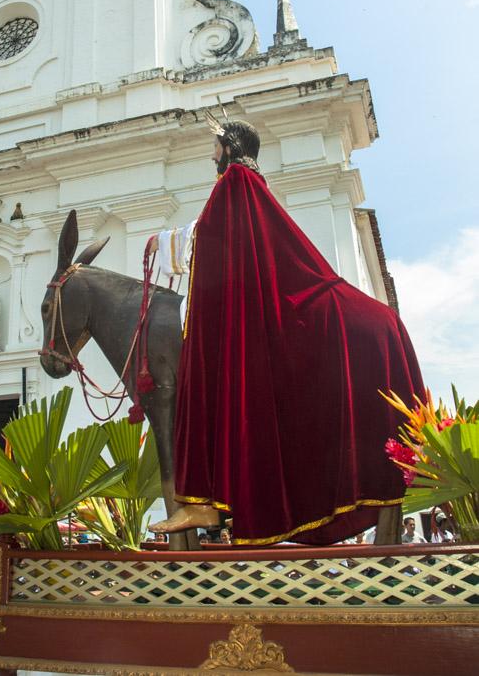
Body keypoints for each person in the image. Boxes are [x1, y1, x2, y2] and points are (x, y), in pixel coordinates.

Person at [150, 117, 426, 545]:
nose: (211, 155)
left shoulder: (234, 182)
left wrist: (161, 242)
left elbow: (214, 237)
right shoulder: (254, 183)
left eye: (215, 146)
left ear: (228, 147)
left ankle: (203, 500)